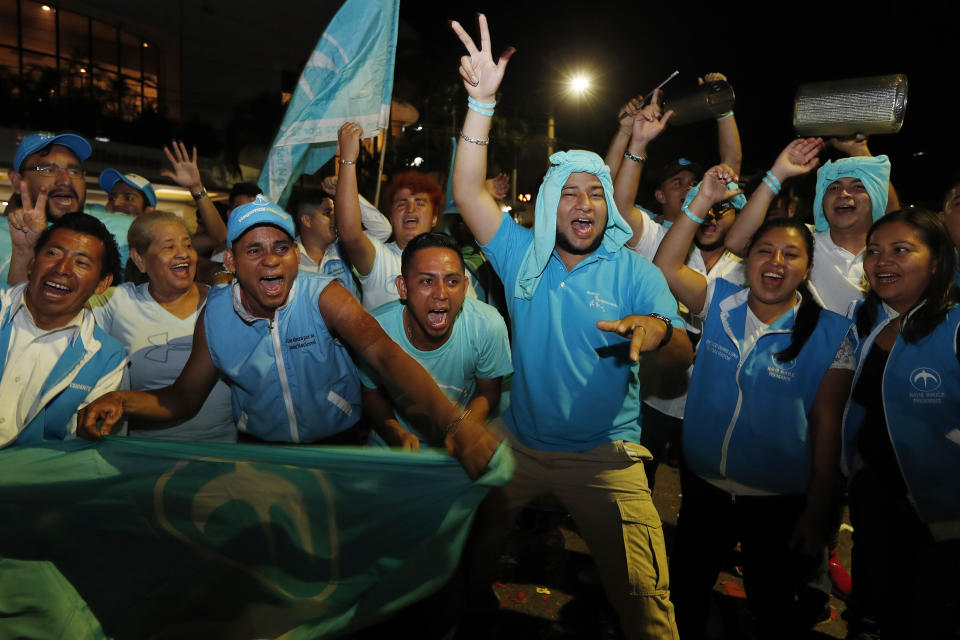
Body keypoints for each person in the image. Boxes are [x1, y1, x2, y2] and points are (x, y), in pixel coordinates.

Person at [451, 16, 693, 639]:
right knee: (461, 538)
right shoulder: (517, 256)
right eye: (568, 192)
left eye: (594, 193)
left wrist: (656, 333)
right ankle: (460, 614)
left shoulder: (633, 272)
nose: (582, 204)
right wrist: (481, 103)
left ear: (607, 205)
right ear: (550, 201)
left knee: (646, 604)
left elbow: (684, 349)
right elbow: (469, 190)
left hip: (604, 457)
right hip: (521, 443)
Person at [77, 195, 499, 479]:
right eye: (254, 250)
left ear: (296, 254)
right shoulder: (216, 316)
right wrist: (122, 401)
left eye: (280, 247)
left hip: (339, 448)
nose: (270, 261)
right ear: (231, 260)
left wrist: (454, 423)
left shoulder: (324, 296)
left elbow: (383, 355)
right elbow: (183, 398)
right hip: (263, 456)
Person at [653, 166, 855, 638]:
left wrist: (818, 512)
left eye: (791, 254)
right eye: (765, 250)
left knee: (769, 605)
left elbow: (828, 429)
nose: (775, 261)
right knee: (685, 593)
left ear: (807, 268)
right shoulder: (718, 300)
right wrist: (700, 201)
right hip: (703, 487)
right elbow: (664, 266)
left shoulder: (832, 335)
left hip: (778, 502)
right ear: (747, 260)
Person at [842, 209, 960, 640]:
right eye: (873, 251)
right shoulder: (867, 318)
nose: (882, 260)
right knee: (884, 611)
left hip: (942, 520)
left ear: (936, 260)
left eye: (901, 250)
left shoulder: (956, 324)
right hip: (874, 501)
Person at [87, 211, 235, 442]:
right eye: (169, 247)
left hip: (221, 454)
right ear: (140, 259)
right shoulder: (117, 302)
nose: (183, 254)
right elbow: (50, 303)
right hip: (143, 454)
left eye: (188, 245)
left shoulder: (224, 303)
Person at [361, 231, 511, 450]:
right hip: (390, 445)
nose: (441, 294)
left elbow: (488, 390)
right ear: (403, 287)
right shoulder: (376, 329)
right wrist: (395, 432)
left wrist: (464, 429)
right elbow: (371, 392)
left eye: (452, 281)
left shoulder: (487, 325)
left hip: (459, 445)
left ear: (465, 286)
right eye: (427, 281)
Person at [725, 138, 893, 315]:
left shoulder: (890, 252)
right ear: (821, 201)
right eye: (834, 188)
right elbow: (737, 243)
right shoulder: (802, 240)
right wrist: (777, 174)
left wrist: (859, 151)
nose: (843, 193)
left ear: (876, 198)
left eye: (858, 187)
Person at [0, 213, 126, 448]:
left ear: (102, 283)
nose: (62, 268)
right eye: (53, 253)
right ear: (32, 263)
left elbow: (82, 446)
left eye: (81, 262)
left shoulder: (107, 357)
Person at [335, 123, 475, 310]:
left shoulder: (453, 265)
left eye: (419, 202)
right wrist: (347, 159)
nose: (410, 208)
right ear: (391, 218)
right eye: (401, 203)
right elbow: (350, 234)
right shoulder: (379, 258)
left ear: (434, 218)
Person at [3, 132, 133, 284]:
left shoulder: (127, 230)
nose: (66, 181)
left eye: (74, 171)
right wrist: (24, 253)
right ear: (17, 181)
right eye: (47, 169)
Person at [290, 188, 359, 298]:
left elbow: (382, 230)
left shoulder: (345, 249)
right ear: (307, 220)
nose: (335, 218)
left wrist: (345, 193)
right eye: (327, 213)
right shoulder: (288, 260)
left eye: (335, 212)